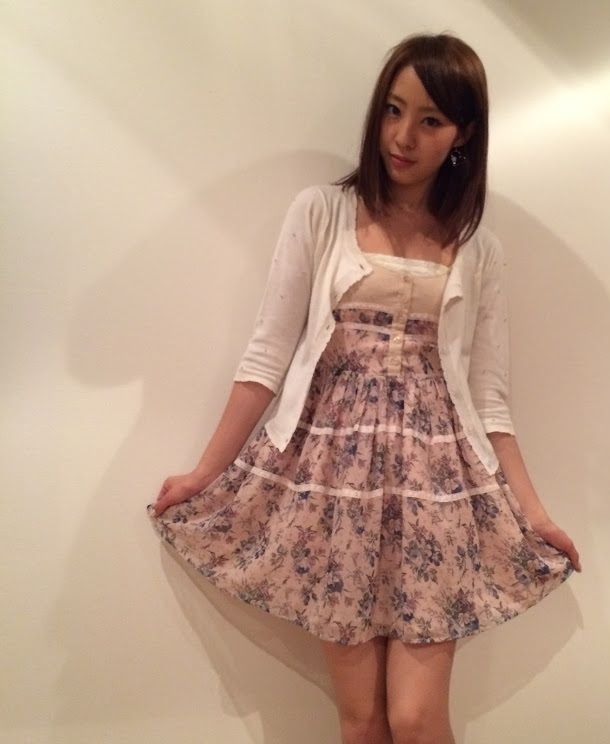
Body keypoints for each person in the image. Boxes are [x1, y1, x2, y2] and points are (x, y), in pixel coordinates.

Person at [146, 31, 581, 744]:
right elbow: (267, 356)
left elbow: (490, 397)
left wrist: (533, 512)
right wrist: (203, 473)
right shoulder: (321, 212)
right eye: (393, 110)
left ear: (464, 134)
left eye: (431, 120)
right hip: (332, 483)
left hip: (437, 487)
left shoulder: (479, 248)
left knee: (415, 718)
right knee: (361, 721)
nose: (403, 136)